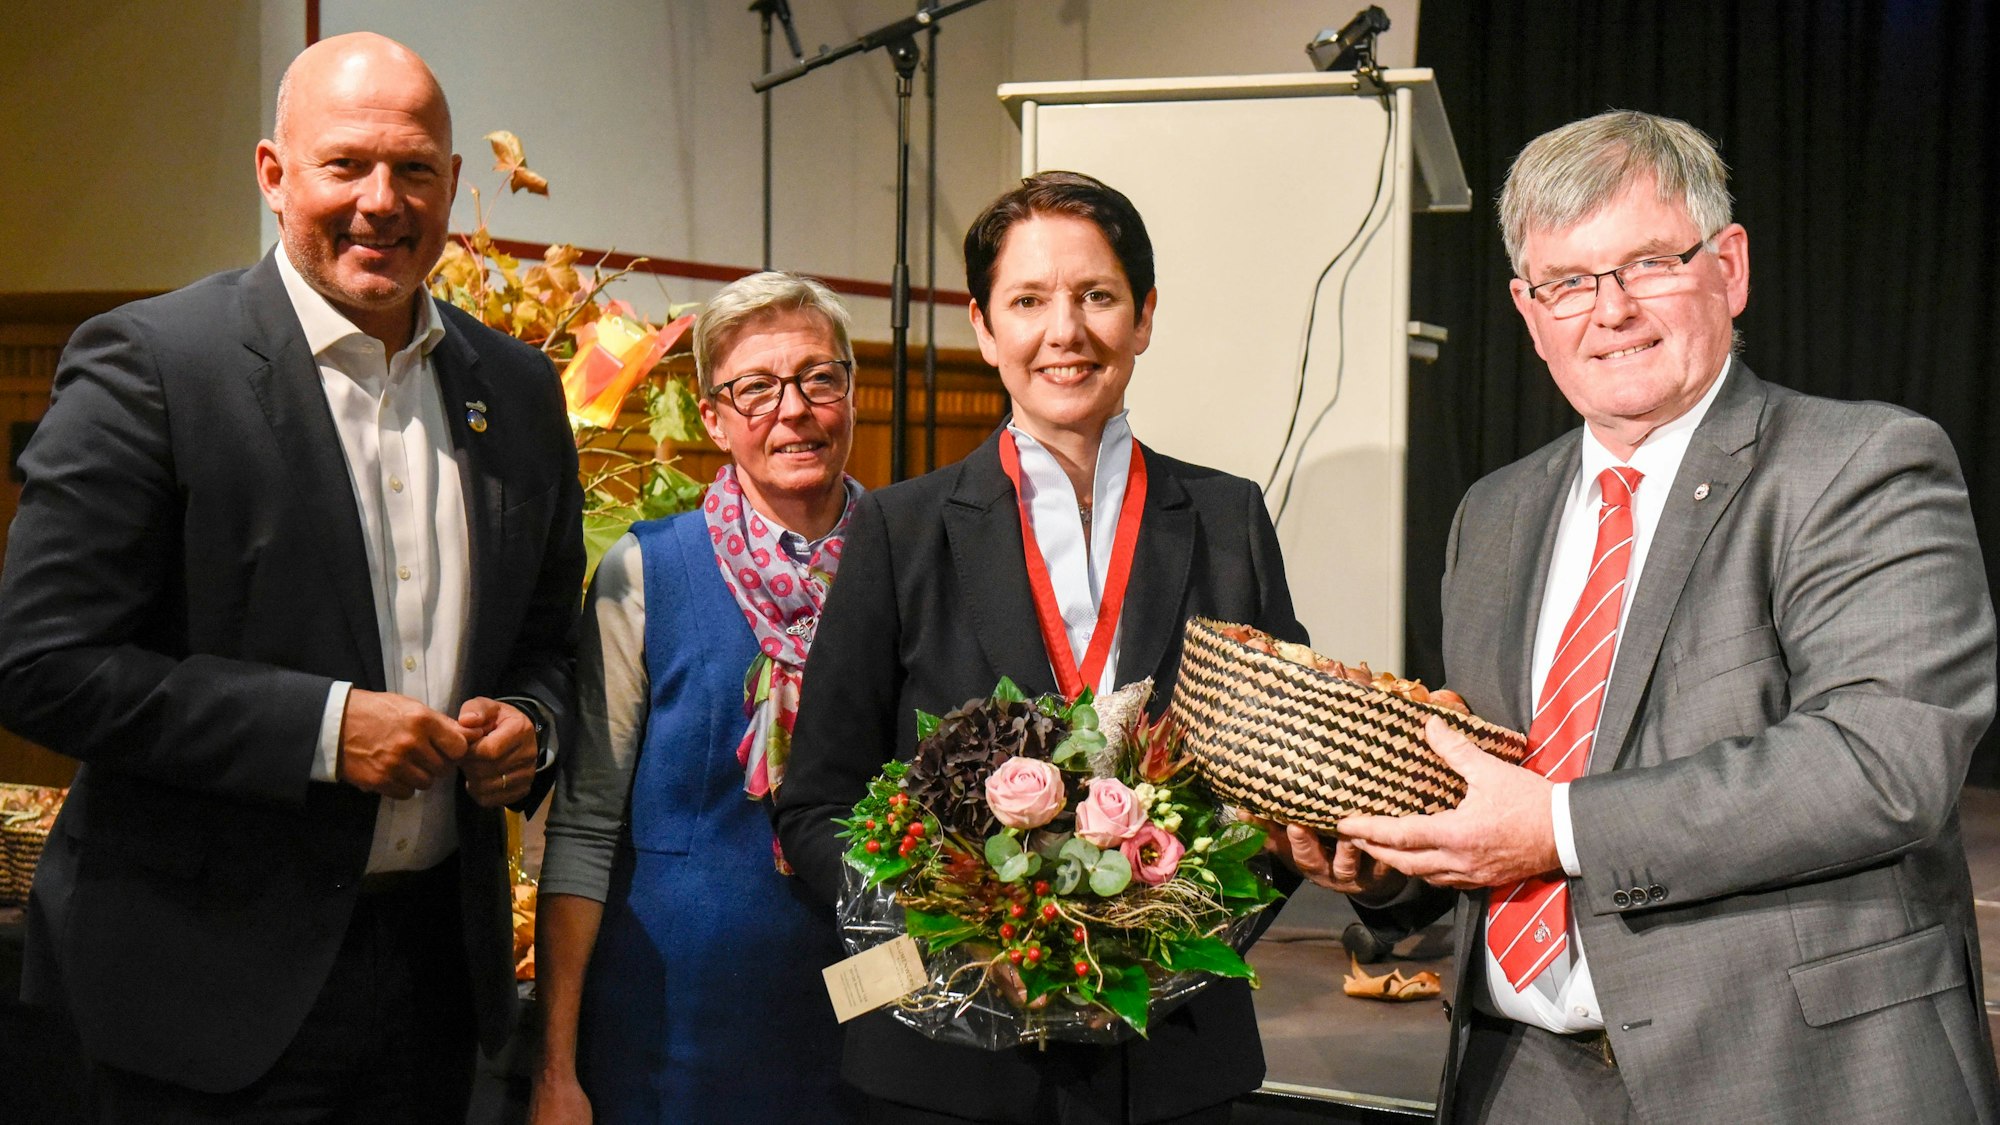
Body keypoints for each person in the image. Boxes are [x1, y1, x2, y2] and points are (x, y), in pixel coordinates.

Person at [1292, 110, 2000, 1123]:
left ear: (1729, 267)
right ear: (1527, 311)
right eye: (1567, 282)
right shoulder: (1491, 515)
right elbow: (1497, 803)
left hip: (1788, 1078)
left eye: (1649, 264)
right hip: (1518, 1080)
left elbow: (1881, 763)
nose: (1610, 310)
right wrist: (1388, 865)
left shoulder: (1859, 465)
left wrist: (1553, 826)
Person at [0, 32, 584, 1120]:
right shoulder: (152, 365)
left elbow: (548, 638)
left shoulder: (516, 388)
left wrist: (532, 725)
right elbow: (42, 665)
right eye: (346, 164)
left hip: (431, 987)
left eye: (414, 169)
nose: (382, 201)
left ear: (453, 182)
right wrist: (323, 730)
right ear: (273, 174)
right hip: (196, 990)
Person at [774, 171, 1306, 1125]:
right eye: (1028, 301)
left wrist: (1173, 937)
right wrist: (958, 936)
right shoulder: (900, 530)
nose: (1065, 331)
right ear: (984, 328)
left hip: (1170, 1068)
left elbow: (1286, 789)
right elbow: (817, 803)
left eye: (1097, 296)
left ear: (1144, 317)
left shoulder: (1227, 520)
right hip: (945, 1076)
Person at [530, 271, 864, 1125]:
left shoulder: (907, 561)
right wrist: (556, 1068)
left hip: (864, 1028)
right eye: (756, 388)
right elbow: (585, 824)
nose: (793, 410)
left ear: (852, 394)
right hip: (669, 1038)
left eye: (819, 378)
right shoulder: (647, 572)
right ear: (713, 418)